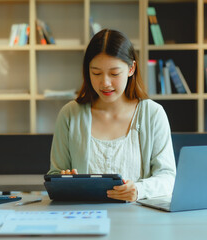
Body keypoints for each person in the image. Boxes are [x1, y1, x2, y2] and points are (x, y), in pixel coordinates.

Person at [47, 29, 176, 203]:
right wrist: (65, 180)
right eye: (96, 73)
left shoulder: (153, 114)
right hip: (84, 219)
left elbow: (168, 177)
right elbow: (55, 175)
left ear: (131, 68)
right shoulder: (70, 114)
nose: (105, 83)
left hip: (138, 221)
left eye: (114, 74)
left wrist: (138, 189)